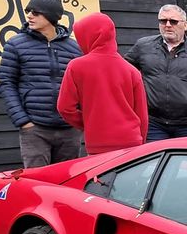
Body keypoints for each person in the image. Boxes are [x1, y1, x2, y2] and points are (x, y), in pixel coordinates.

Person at [0, 0, 83, 167]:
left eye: (35, 12)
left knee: (68, 183)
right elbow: (7, 83)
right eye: (28, 11)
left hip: (69, 130)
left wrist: (78, 119)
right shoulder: (15, 45)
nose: (29, 16)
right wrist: (23, 121)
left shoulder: (74, 48)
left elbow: (82, 87)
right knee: (36, 184)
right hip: (35, 129)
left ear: (51, 16)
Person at [125, 4, 187, 140]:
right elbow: (124, 73)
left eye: (173, 21)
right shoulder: (143, 46)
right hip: (153, 123)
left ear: (185, 25)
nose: (168, 25)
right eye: (163, 21)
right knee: (155, 160)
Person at [57, 13, 148, 154]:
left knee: (101, 177)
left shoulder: (76, 67)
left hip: (98, 143)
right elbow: (142, 115)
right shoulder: (131, 70)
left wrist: (89, 124)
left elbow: (65, 108)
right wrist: (140, 142)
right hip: (131, 141)